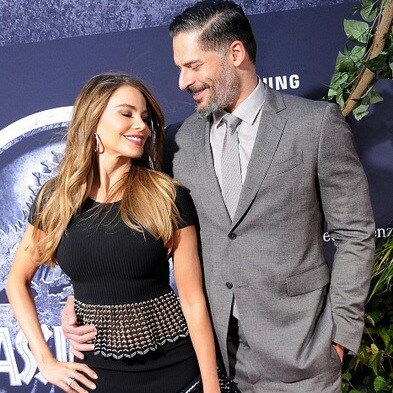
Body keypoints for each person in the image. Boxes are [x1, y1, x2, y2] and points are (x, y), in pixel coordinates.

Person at [61, 1, 376, 392]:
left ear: (235, 53)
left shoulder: (314, 125)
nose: (181, 81)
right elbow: (129, 228)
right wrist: (83, 299)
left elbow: (355, 235)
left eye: (193, 66)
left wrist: (342, 333)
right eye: (179, 67)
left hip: (302, 354)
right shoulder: (177, 141)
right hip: (212, 358)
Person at [6, 73, 221, 393]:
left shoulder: (168, 197)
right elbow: (16, 281)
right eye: (126, 114)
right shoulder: (56, 200)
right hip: (96, 377)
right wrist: (45, 361)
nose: (141, 126)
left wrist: (211, 387)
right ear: (92, 120)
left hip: (175, 374)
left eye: (145, 118)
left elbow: (193, 302)